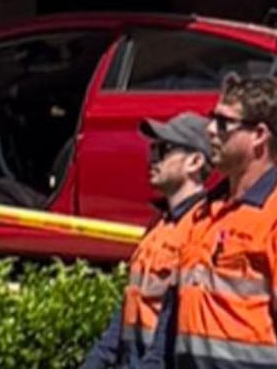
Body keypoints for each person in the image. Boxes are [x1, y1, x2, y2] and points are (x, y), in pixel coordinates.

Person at [166, 75, 277, 369]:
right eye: (211, 119)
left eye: (223, 123)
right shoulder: (203, 213)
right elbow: (172, 315)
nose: (210, 130)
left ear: (259, 135)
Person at [82, 112, 213, 369]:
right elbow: (126, 311)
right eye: (151, 150)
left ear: (195, 161)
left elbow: (177, 327)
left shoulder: (202, 228)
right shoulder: (158, 225)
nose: (152, 159)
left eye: (163, 150)